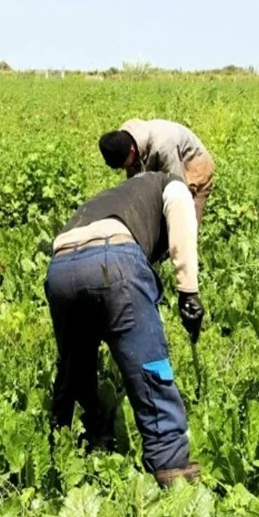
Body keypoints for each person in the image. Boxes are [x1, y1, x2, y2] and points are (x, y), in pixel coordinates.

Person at [45, 171, 205, 487]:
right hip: (114, 261)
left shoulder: (112, 197)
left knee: (74, 369)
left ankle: (66, 449)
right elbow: (183, 225)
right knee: (150, 368)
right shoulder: (171, 184)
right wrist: (188, 291)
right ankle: (171, 468)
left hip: (59, 268)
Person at [98, 119, 215, 224]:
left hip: (195, 165)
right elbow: (136, 182)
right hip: (161, 160)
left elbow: (178, 186)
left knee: (185, 221)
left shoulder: (163, 147)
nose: (123, 169)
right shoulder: (124, 141)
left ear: (132, 150)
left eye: (124, 165)